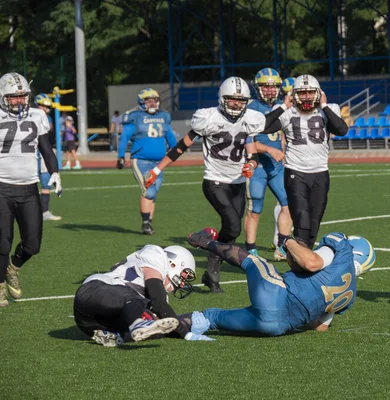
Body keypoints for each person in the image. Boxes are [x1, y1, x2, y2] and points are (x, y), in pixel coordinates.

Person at [143, 76, 280, 294]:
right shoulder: (208, 117)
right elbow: (181, 147)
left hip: (237, 182)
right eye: (232, 99)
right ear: (222, 98)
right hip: (214, 181)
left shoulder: (250, 118)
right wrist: (157, 170)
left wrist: (252, 164)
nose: (236, 104)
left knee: (231, 232)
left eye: (240, 100)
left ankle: (212, 270)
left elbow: (251, 152)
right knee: (234, 225)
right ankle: (205, 242)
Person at [186, 228, 375, 337]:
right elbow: (320, 326)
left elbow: (311, 263)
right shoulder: (350, 296)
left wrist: (289, 242)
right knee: (212, 318)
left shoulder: (340, 248)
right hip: (276, 327)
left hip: (275, 295)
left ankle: (205, 242)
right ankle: (170, 324)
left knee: (255, 261)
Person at [0, 72, 62, 307]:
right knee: (2, 241)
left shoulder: (37, 115)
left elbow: (46, 148)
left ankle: (12, 268)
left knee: (33, 244)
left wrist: (54, 172)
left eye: (23, 96)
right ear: (2, 97)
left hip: (28, 187)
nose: (19, 101)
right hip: (0, 187)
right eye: (13, 97)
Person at [264, 74, 349, 248]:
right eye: (302, 93)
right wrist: (282, 106)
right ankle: (298, 260)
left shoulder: (328, 108)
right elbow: (262, 126)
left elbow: (341, 129)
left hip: (320, 172)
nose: (307, 97)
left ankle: (302, 259)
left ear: (319, 93)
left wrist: (324, 106)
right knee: (302, 219)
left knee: (314, 223)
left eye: (310, 92)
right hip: (296, 172)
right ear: (294, 94)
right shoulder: (288, 112)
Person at [73, 244, 212, 346]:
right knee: (139, 301)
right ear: (173, 264)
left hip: (92, 325)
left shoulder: (162, 296)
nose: (182, 284)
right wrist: (185, 333)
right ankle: (137, 324)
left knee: (156, 328)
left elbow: (163, 319)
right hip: (95, 290)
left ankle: (119, 337)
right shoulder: (157, 255)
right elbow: (158, 300)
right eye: (184, 275)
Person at [244, 68, 291, 260]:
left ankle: (282, 246)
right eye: (266, 86)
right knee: (255, 210)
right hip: (258, 167)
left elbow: (285, 134)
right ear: (258, 88)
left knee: (288, 205)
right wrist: (269, 149)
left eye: (274, 87)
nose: (271, 91)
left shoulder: (283, 105)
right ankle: (251, 249)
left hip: (277, 167)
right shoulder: (251, 108)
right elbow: (247, 142)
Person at [116, 88, 177, 235]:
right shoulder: (135, 117)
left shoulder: (163, 117)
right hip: (141, 160)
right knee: (148, 190)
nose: (152, 103)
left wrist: (175, 152)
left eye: (154, 100)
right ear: (141, 103)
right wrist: (121, 156)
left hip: (159, 162)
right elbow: (124, 137)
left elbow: (170, 136)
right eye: (148, 100)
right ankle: (145, 223)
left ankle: (149, 222)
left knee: (154, 191)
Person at [34, 93, 62, 221]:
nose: (45, 109)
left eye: (47, 107)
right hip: (30, 153)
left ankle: (44, 212)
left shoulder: (47, 118)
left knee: (46, 181)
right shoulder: (29, 115)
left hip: (44, 152)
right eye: (43, 106)